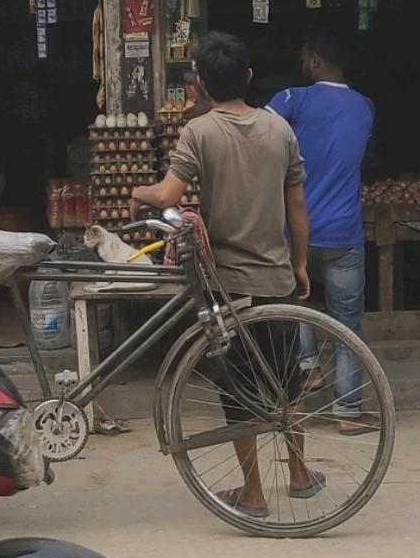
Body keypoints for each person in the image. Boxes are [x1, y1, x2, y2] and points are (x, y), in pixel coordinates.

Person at [130, 31, 322, 516]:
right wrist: (300, 263)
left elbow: (167, 196)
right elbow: (297, 206)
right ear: (249, 77)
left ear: (199, 84)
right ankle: (299, 475)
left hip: (228, 287)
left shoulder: (200, 131)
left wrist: (138, 194)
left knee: (238, 391)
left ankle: (253, 492)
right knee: (287, 382)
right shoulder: (279, 129)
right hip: (276, 279)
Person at [268, 27, 377, 434]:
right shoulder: (365, 106)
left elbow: (255, 130)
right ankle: (348, 412)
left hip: (295, 230)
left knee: (294, 304)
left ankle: (308, 367)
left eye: (304, 60)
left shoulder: (293, 99)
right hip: (344, 234)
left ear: (314, 61)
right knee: (347, 322)